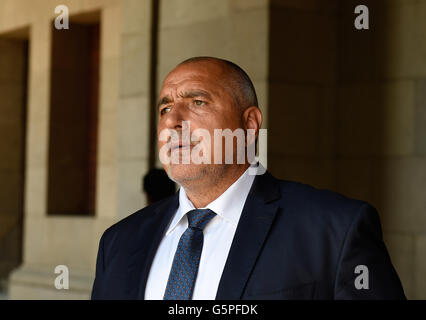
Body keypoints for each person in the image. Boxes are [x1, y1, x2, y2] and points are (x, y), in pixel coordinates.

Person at [91, 56, 405, 300]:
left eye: (197, 102)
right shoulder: (118, 242)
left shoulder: (336, 230)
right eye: (165, 108)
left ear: (250, 124)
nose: (172, 120)